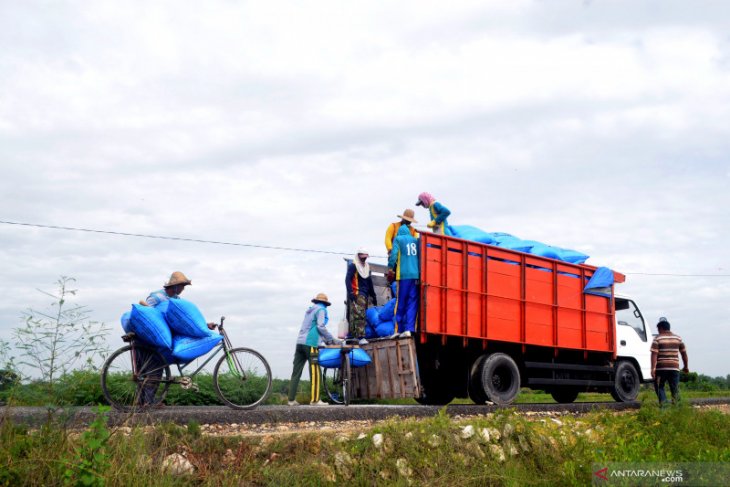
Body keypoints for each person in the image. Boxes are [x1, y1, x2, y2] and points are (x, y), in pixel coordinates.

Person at [287, 293, 336, 406]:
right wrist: (331, 339)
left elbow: (313, 328)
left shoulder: (309, 310)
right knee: (315, 371)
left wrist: (326, 340)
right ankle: (315, 400)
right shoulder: (321, 310)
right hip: (311, 343)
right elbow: (320, 326)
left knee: (296, 372)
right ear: (325, 303)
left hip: (299, 342)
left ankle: (291, 400)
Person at [387, 223, 420, 336]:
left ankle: (399, 329)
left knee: (400, 302)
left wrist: (390, 268)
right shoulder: (415, 241)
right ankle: (409, 329)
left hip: (403, 276)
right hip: (415, 276)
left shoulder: (398, 239)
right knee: (412, 302)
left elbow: (394, 255)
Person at [650, 317, 689, 407]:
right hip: (674, 368)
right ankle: (676, 409)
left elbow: (654, 354)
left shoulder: (657, 338)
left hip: (661, 368)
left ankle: (664, 407)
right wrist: (686, 366)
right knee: (675, 389)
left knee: (659, 387)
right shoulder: (678, 338)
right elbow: (684, 354)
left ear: (661, 328)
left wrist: (653, 368)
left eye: (658, 329)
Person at [345, 248, 377, 342]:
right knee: (359, 315)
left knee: (361, 315)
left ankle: (355, 336)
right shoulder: (354, 266)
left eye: (365, 257)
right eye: (362, 257)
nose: (364, 259)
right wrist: (350, 292)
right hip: (356, 293)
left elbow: (369, 282)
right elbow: (347, 279)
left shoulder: (366, 267)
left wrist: (373, 295)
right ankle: (360, 337)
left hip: (365, 294)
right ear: (358, 256)